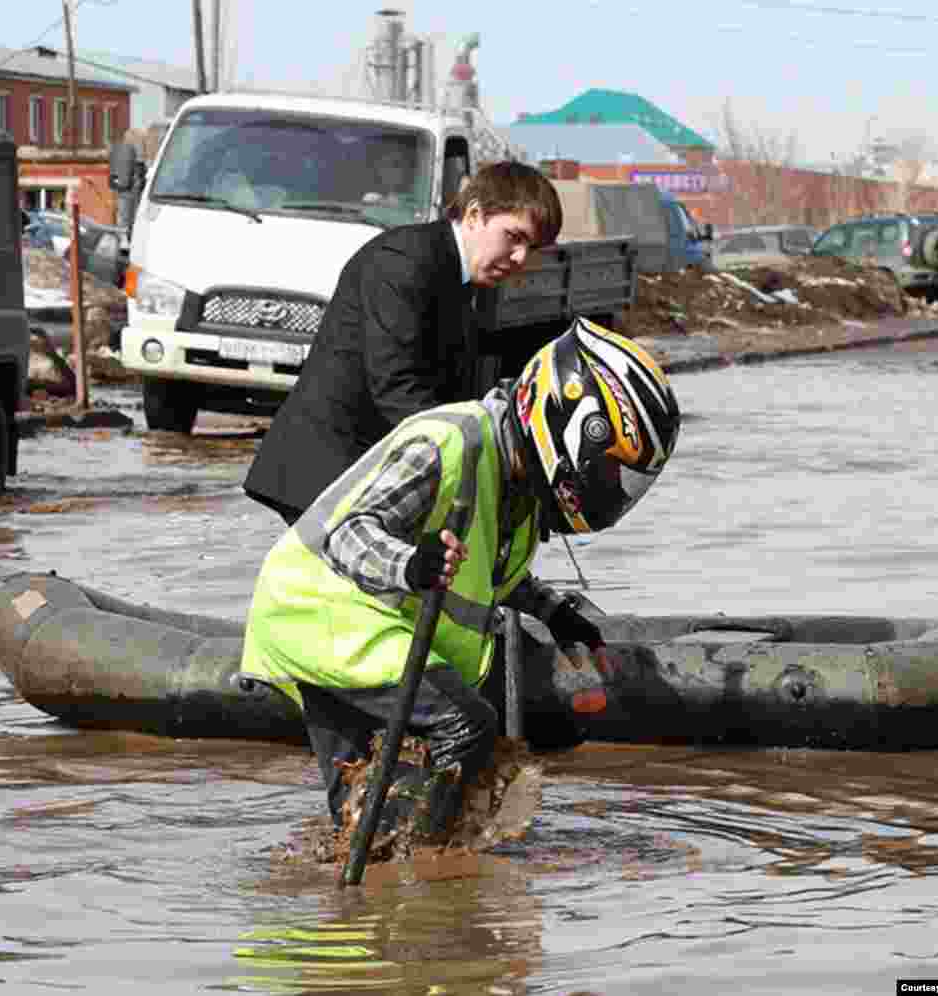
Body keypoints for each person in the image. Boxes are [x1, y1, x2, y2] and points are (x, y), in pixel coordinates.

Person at [239, 317, 681, 838]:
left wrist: (554, 612)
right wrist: (411, 564)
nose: (610, 492)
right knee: (466, 726)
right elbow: (349, 534)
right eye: (608, 473)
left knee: (368, 813)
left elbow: (490, 574)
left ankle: (404, 873)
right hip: (323, 616)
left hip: (365, 629)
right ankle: (427, 863)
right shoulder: (449, 444)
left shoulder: (522, 489)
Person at [243, 161, 564, 526]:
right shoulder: (404, 262)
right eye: (514, 237)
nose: (521, 258)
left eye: (532, 247)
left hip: (370, 472)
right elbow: (396, 386)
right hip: (325, 472)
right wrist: (474, 454)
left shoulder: (468, 275)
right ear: (474, 215)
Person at [360, 138, 417, 205]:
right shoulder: (371, 197)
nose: (389, 170)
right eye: (383, 165)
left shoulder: (414, 199)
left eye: (396, 164)